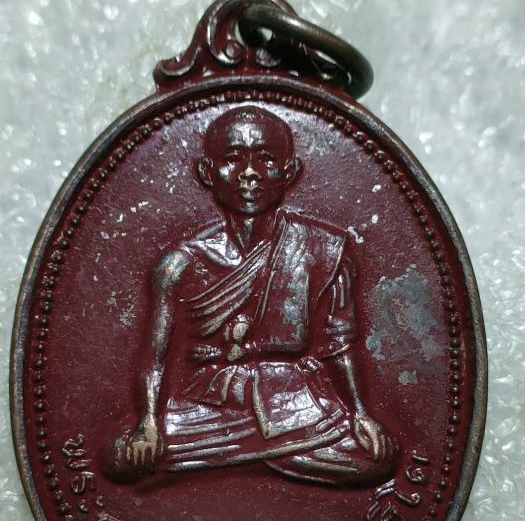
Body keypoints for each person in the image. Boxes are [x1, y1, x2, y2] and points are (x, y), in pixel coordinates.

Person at [109, 106, 397, 486]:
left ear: (290, 173)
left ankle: (235, 459)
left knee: (373, 458)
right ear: (207, 173)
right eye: (232, 159)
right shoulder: (179, 266)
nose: (249, 173)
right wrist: (148, 421)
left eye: (265, 159)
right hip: (211, 408)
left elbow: (338, 345)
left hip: (293, 403)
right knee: (123, 460)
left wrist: (360, 413)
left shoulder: (323, 250)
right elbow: (155, 356)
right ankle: (261, 454)